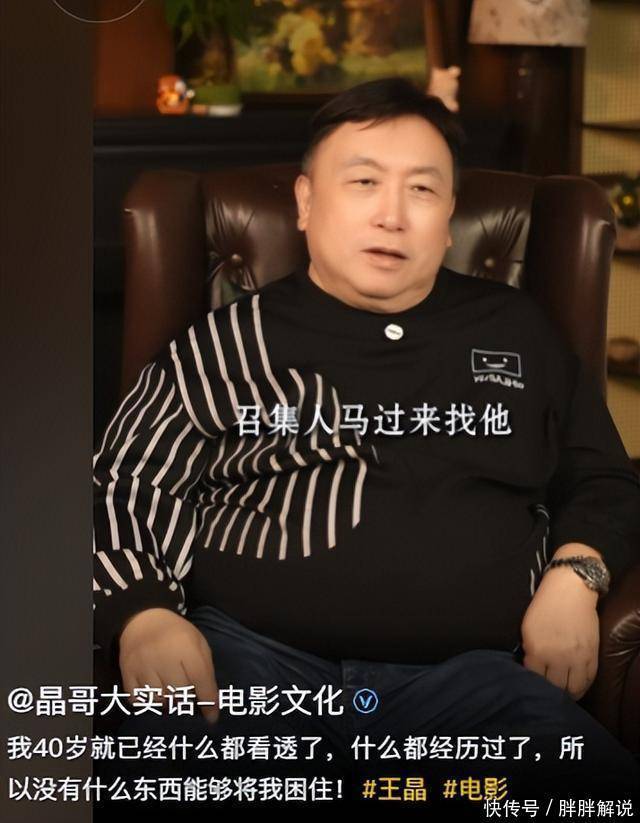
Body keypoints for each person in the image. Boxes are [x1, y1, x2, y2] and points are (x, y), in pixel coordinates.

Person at [93, 77, 640, 814]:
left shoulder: (517, 331)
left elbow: (603, 476)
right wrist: (144, 614)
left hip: (474, 683)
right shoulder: (227, 341)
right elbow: (126, 480)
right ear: (305, 202)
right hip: (248, 666)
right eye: (363, 182)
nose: (392, 214)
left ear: (449, 217)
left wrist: (577, 575)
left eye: (422, 189)